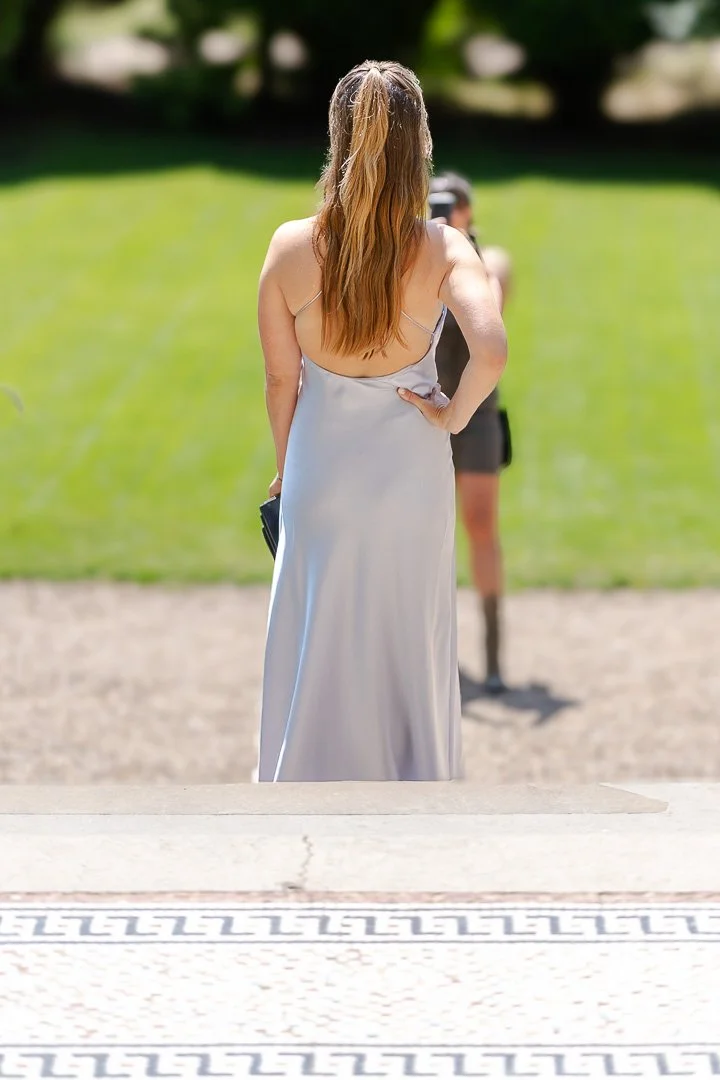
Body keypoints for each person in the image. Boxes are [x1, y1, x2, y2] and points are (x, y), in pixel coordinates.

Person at [256, 61, 507, 782]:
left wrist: (288, 467)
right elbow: (490, 349)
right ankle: (413, 790)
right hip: (410, 471)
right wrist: (452, 416)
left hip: (321, 467)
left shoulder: (290, 246)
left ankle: (308, 790)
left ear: (337, 138)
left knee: (319, 636)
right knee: (408, 641)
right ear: (419, 142)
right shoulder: (444, 247)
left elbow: (281, 380)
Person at [430, 172, 512, 694]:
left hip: (477, 412)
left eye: (451, 204)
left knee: (480, 523)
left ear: (468, 212)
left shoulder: (486, 260)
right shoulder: (418, 256)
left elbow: (491, 301)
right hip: (425, 409)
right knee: (426, 529)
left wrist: (459, 250)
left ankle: (493, 653)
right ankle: (434, 650)